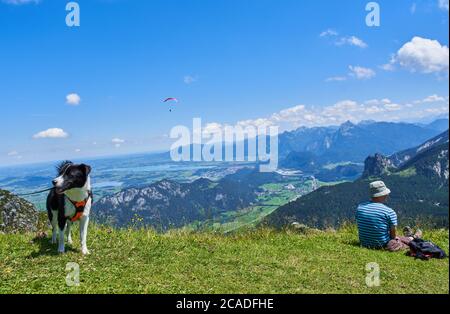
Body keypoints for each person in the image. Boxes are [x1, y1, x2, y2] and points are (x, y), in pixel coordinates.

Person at [356, 180, 422, 251]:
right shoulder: (389, 212)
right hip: (382, 244)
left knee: (396, 237)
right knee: (396, 241)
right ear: (383, 194)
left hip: (364, 243)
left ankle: (409, 236)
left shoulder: (360, 208)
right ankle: (413, 238)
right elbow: (393, 236)